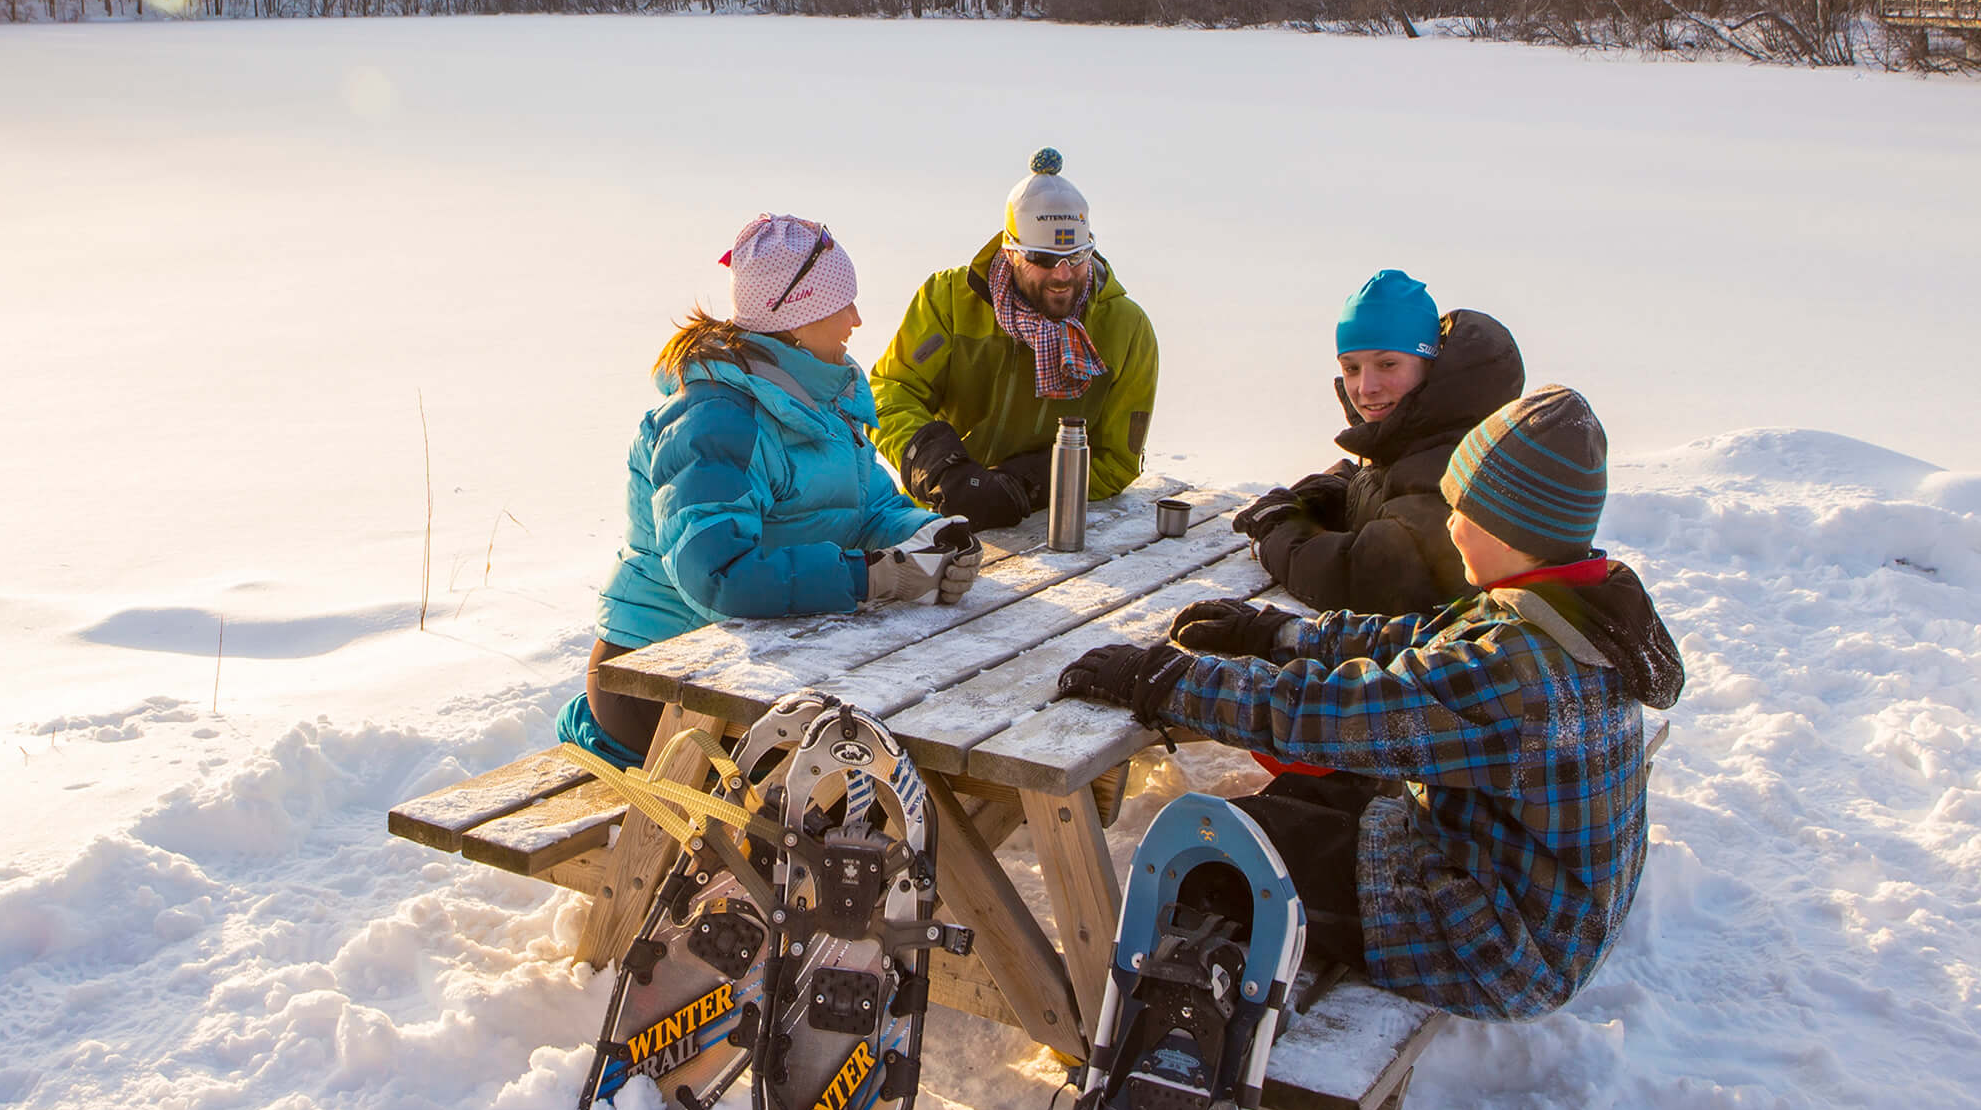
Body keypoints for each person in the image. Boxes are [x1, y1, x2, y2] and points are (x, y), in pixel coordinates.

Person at [1054, 387, 1684, 1021]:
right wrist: (1274, 634)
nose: (1447, 522)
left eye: (1460, 507)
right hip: (1526, 893)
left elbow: (1333, 714)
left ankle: (1172, 1050)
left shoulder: (1518, 672)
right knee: (1287, 809)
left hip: (1501, 948)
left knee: (1218, 858)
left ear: (1509, 525)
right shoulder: (1562, 610)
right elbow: (1414, 639)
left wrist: (1165, 681)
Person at [560, 214, 983, 769]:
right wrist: (869, 577)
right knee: (846, 777)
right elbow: (719, 573)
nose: (857, 319)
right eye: (842, 304)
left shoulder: (822, 394)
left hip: (754, 666)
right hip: (658, 680)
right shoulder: (715, 418)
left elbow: (870, 507)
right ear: (796, 319)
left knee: (895, 746)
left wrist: (929, 534)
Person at [870, 150, 1160, 531]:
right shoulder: (949, 301)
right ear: (1011, 252)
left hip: (1054, 527)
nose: (1062, 275)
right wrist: (941, 469)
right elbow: (892, 391)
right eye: (1042, 259)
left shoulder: (1127, 330)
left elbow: (1118, 458)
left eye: (1076, 257)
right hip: (940, 517)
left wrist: (1028, 482)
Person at [1231, 269, 1524, 615]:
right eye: (1351, 368)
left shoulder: (1456, 462)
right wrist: (1312, 499)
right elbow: (1370, 486)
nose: (1365, 387)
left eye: (1387, 364)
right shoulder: (1410, 435)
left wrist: (1277, 527)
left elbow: (1362, 577)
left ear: (1431, 365)